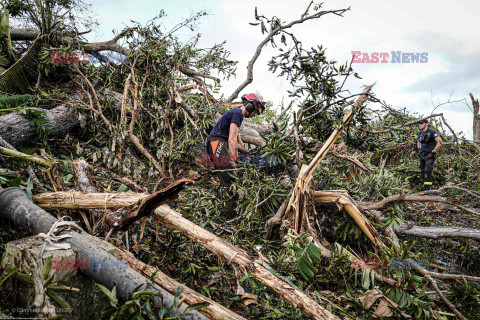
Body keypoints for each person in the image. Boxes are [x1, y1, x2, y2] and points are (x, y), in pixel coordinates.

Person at [206, 93, 265, 214]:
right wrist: (234, 159)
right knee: (228, 175)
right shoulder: (237, 114)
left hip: (218, 142)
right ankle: (227, 213)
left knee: (227, 176)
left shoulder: (237, 115)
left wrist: (246, 152)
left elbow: (236, 141)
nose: (254, 115)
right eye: (254, 112)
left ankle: (222, 206)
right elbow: (231, 140)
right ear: (249, 106)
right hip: (216, 142)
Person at [417, 119, 441, 190]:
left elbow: (440, 142)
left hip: (430, 155)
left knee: (428, 171)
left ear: (426, 124)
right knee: (423, 171)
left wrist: (434, 151)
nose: (420, 124)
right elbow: (418, 142)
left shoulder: (432, 131)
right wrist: (419, 150)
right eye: (419, 123)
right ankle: (427, 186)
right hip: (422, 155)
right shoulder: (420, 133)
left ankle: (428, 189)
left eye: (422, 123)